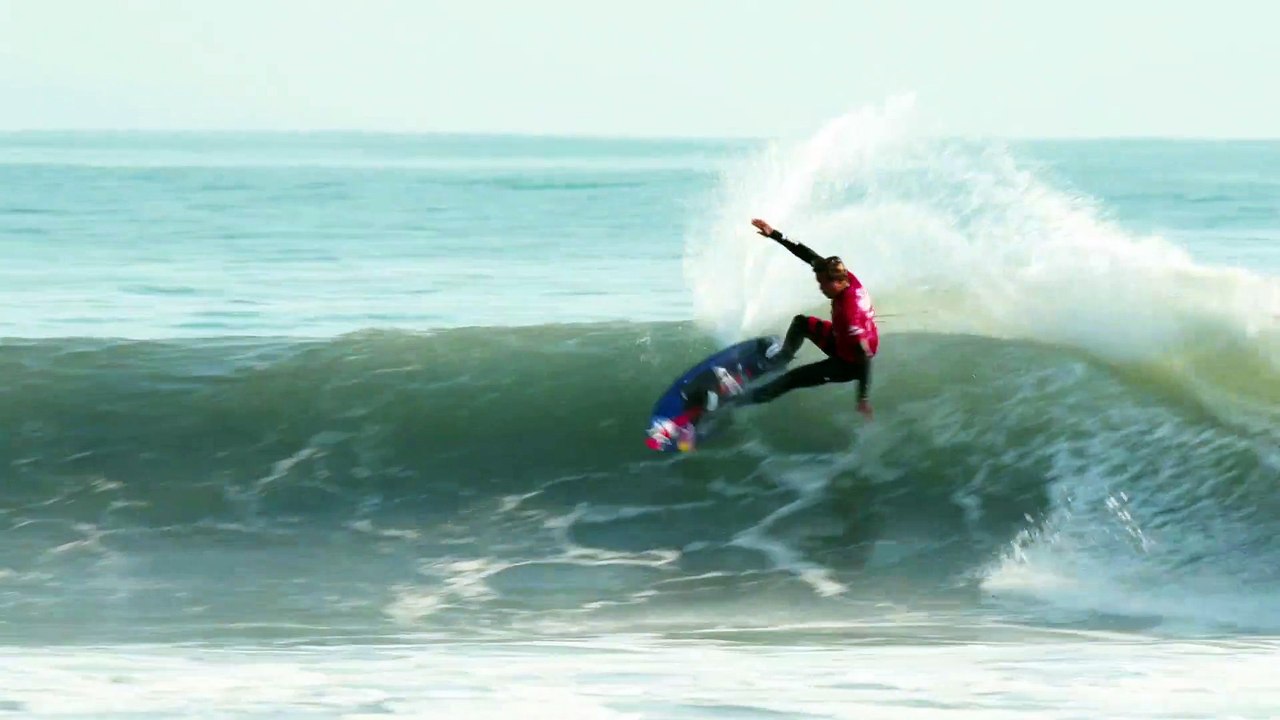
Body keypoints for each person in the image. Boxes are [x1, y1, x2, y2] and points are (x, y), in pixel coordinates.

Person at [744, 218, 877, 420]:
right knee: (801, 323)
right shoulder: (841, 274)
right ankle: (782, 358)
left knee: (792, 378)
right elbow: (807, 253)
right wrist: (774, 234)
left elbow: (864, 356)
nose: (820, 288)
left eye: (824, 284)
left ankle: (744, 401)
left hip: (848, 363)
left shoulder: (851, 313)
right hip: (839, 338)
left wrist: (863, 398)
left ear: (838, 282)